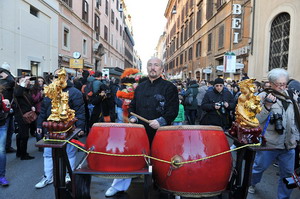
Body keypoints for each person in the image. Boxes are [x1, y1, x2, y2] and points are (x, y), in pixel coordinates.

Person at [105, 57, 179, 197]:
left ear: (161, 69)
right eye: (150, 65)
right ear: (147, 68)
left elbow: (173, 110)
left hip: (161, 132)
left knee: (164, 160)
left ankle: (173, 188)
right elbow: (132, 107)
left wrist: (161, 121)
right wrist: (132, 117)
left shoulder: (170, 87)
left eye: (156, 65)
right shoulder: (140, 88)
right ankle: (118, 186)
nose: (153, 67)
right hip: (140, 132)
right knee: (129, 157)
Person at [248, 68, 300, 199]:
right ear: (271, 83)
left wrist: (297, 138)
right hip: (269, 144)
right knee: (258, 168)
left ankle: (284, 197)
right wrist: (267, 106)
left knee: (289, 175)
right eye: (279, 84)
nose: (283, 87)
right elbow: (255, 120)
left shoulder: (291, 96)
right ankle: (252, 183)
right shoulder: (261, 97)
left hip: (289, 144)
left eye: (285, 83)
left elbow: (295, 119)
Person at [35, 69, 85, 189]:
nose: (58, 78)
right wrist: (39, 124)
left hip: (69, 127)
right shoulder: (51, 91)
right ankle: (48, 176)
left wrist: (81, 127)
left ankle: (69, 175)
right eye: (56, 76)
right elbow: (43, 110)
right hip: (51, 127)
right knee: (47, 153)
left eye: (60, 76)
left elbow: (80, 111)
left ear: (66, 77)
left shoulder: (75, 92)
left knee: (70, 152)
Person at [14, 76, 36, 160]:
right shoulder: (18, 90)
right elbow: (18, 94)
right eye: (23, 81)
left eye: (27, 80)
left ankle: (20, 152)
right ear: (18, 83)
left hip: (26, 114)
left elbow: (30, 100)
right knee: (24, 135)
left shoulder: (26, 90)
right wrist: (22, 84)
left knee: (21, 134)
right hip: (21, 116)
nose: (26, 82)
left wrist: (32, 106)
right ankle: (23, 154)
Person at [0, 64, 16, 153]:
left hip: (8, 109)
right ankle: (5, 146)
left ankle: (7, 146)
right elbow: (12, 82)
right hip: (4, 111)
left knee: (10, 129)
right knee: (5, 130)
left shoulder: (5, 81)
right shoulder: (3, 83)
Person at [0, 85, 11, 186]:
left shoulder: (0, 95)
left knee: (1, 150)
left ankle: (2, 176)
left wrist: (7, 105)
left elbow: (6, 110)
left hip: (1, 124)